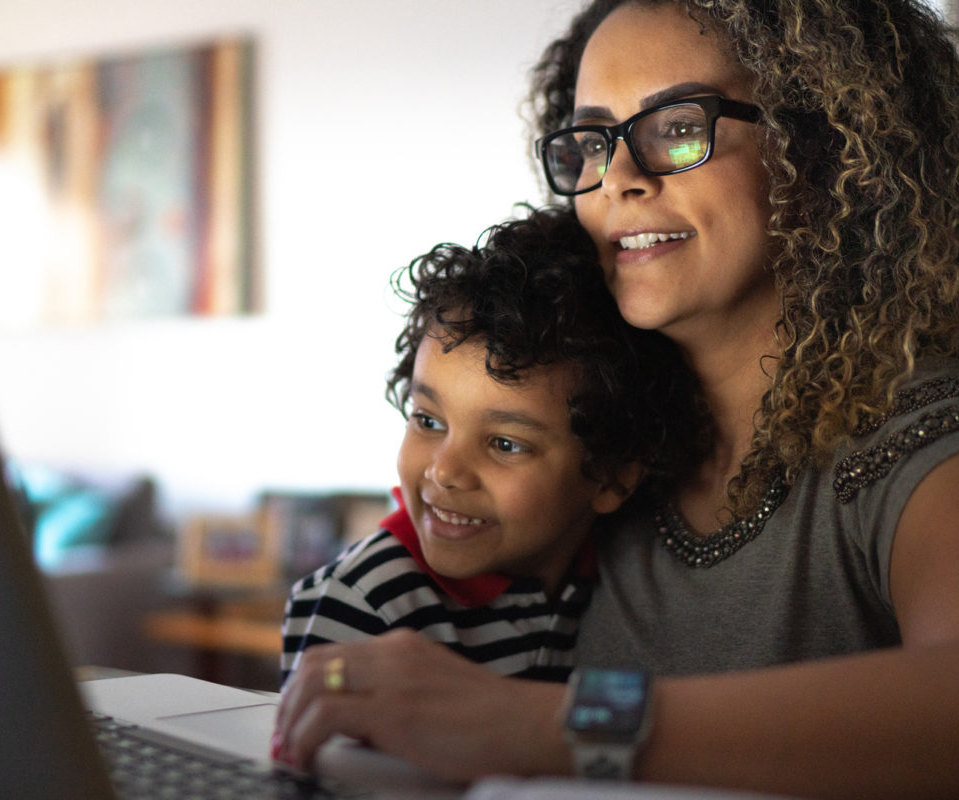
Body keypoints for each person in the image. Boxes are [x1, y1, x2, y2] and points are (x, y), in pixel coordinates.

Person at [275, 2, 959, 798]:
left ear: (823, 146)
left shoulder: (910, 428)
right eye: (590, 141)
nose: (617, 178)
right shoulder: (603, 424)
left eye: (678, 128)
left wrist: (544, 727)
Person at [279, 206, 706, 686]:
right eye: (427, 420)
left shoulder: (619, 577)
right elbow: (318, 754)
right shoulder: (365, 602)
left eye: (504, 443)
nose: (445, 472)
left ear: (612, 476)